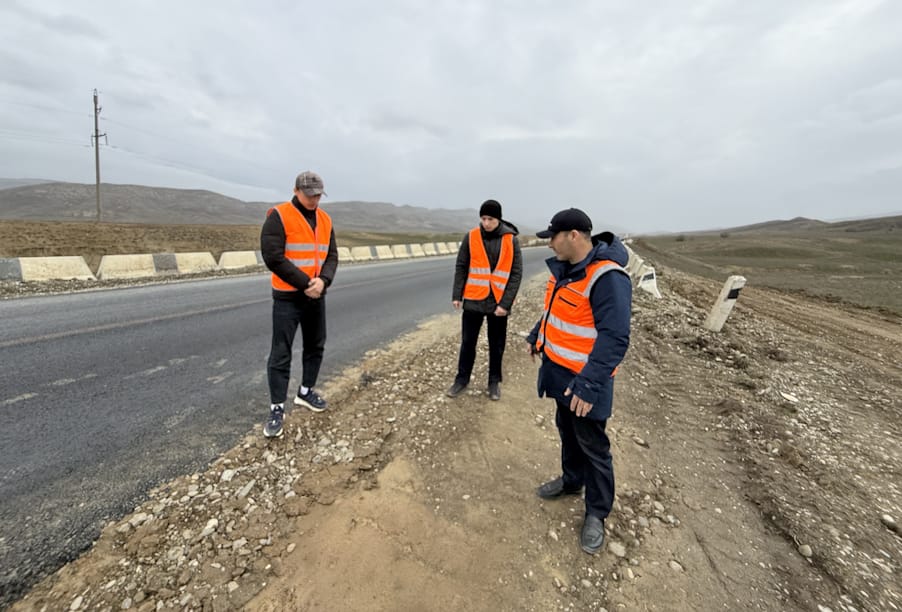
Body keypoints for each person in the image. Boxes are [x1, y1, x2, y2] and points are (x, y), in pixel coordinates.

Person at [526, 208, 632, 554]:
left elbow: (614, 337)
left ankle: (597, 513)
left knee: (593, 445)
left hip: (586, 381)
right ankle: (572, 481)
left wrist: (588, 385)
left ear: (573, 236)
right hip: (559, 373)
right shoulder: (566, 269)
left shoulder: (607, 277)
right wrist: (537, 335)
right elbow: (556, 311)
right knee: (567, 431)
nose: (549, 244)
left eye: (553, 237)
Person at [260, 170, 338, 438]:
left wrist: (324, 281)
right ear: (296, 191)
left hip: (316, 295)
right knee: (281, 352)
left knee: (315, 345)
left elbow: (332, 256)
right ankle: (277, 407)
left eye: (318, 195)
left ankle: (305, 391)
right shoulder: (279, 216)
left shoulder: (325, 219)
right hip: (288, 297)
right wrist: (306, 283)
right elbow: (273, 257)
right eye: (309, 195)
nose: (314, 200)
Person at [447, 199, 523, 400]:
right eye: (483, 218)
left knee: (496, 345)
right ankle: (461, 380)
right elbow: (461, 266)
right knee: (467, 343)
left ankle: (494, 383)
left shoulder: (510, 240)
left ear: (498, 219)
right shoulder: (471, 236)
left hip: (498, 302)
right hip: (473, 299)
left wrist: (505, 304)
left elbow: (516, 274)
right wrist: (457, 294)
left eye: (490, 219)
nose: (486, 223)